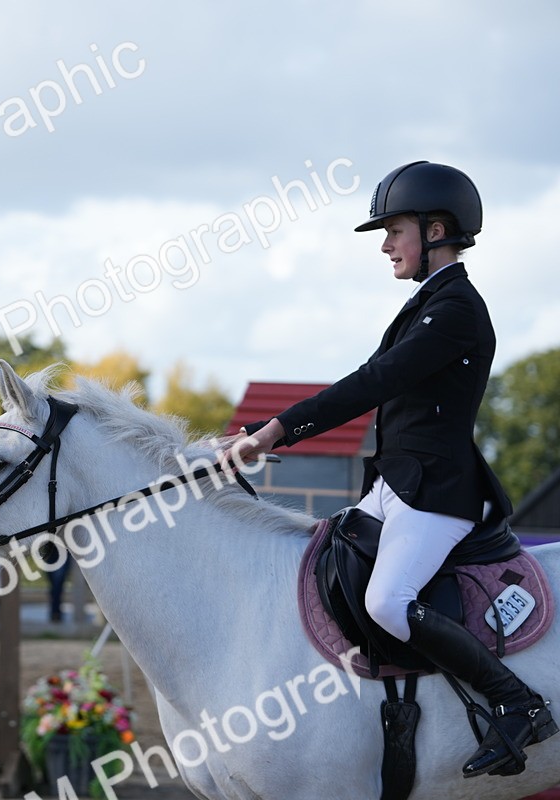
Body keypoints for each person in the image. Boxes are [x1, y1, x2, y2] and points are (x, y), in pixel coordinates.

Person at [230, 161, 555, 779]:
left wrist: (281, 428)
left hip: (436, 491)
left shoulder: (457, 307)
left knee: (387, 601)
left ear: (436, 230)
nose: (384, 245)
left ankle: (518, 703)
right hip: (395, 485)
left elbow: (373, 382)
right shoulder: (426, 304)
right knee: (322, 562)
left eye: (394, 231)